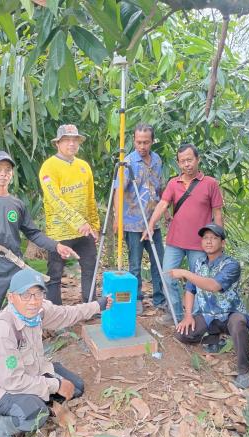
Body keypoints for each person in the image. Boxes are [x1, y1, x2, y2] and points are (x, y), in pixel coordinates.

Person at [0, 268, 112, 437]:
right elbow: (13, 382)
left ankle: (36, 397)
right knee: (37, 414)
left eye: (38, 294)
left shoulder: (37, 313)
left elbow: (67, 314)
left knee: (76, 387)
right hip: (2, 387)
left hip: (35, 371)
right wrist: (56, 384)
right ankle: (2, 427)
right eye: (25, 295)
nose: (33, 301)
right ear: (11, 297)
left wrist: (97, 306)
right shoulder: (3, 330)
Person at [0, 151, 78, 328]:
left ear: (11, 174)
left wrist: (56, 246)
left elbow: (33, 233)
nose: (3, 174)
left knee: (26, 309)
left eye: (7, 170)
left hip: (14, 266)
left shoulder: (17, 204)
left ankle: (24, 348)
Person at [143, 144, 224, 324]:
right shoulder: (173, 183)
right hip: (175, 241)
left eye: (190, 160)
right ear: (178, 163)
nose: (187, 164)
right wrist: (150, 224)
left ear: (197, 159)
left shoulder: (210, 184)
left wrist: (220, 240)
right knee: (167, 276)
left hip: (200, 244)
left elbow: (217, 213)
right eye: (182, 161)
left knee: (197, 282)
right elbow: (163, 204)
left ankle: (195, 319)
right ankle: (176, 314)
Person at [169, 224, 249, 389]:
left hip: (230, 313)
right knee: (182, 334)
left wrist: (185, 273)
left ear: (223, 243)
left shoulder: (231, 265)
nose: (209, 241)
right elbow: (190, 289)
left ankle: (244, 371)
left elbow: (214, 286)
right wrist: (187, 316)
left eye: (214, 238)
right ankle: (213, 340)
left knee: (238, 323)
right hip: (208, 314)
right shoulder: (199, 263)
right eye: (206, 238)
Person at [39, 125, 100, 304]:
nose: (72, 144)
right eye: (67, 140)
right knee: (55, 274)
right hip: (59, 233)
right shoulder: (49, 167)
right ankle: (55, 313)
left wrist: (94, 225)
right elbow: (54, 199)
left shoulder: (84, 166)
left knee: (90, 269)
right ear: (58, 143)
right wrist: (78, 221)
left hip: (85, 231)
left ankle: (90, 307)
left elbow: (90, 198)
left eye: (75, 140)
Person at [113, 123, 167, 315]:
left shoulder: (157, 160)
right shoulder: (127, 162)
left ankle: (160, 298)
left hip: (154, 222)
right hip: (133, 222)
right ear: (133, 141)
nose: (142, 146)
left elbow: (160, 188)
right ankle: (136, 298)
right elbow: (118, 191)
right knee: (134, 265)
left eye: (145, 142)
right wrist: (117, 219)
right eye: (138, 142)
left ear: (152, 141)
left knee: (159, 262)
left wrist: (166, 213)